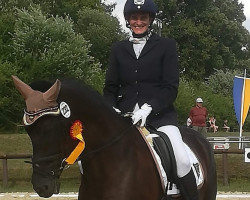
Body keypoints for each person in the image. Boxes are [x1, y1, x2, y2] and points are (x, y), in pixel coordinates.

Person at [103, 0, 198, 199]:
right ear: (128, 20)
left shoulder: (166, 46)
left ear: (150, 20)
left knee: (181, 159)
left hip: (160, 118)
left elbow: (170, 87)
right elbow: (110, 88)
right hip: (124, 119)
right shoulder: (118, 49)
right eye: (134, 18)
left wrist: (148, 108)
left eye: (143, 18)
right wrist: (112, 110)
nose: (138, 22)